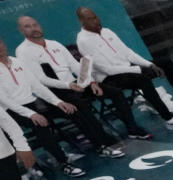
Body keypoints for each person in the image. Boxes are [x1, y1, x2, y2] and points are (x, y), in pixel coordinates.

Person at [15, 15, 153, 140]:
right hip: (57, 90)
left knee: (114, 92)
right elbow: (41, 79)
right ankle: (101, 138)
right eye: (27, 26)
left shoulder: (54, 44)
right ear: (21, 30)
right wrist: (68, 85)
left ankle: (132, 129)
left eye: (35, 24)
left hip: (77, 83)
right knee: (80, 106)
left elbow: (75, 65)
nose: (33, 28)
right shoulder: (23, 51)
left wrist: (91, 82)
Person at [0, 38, 124, 177]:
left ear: (3, 44)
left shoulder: (17, 61)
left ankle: (100, 146)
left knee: (73, 110)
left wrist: (58, 102)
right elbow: (4, 100)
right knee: (41, 125)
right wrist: (30, 114)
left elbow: (37, 86)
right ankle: (64, 163)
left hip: (33, 102)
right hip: (10, 110)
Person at [74, 7, 173, 133]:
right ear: (81, 21)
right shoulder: (83, 41)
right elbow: (106, 69)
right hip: (110, 78)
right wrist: (138, 69)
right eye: (90, 19)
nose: (95, 21)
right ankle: (169, 120)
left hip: (128, 68)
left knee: (166, 63)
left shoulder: (107, 31)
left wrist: (149, 65)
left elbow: (127, 52)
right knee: (142, 79)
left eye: (95, 17)